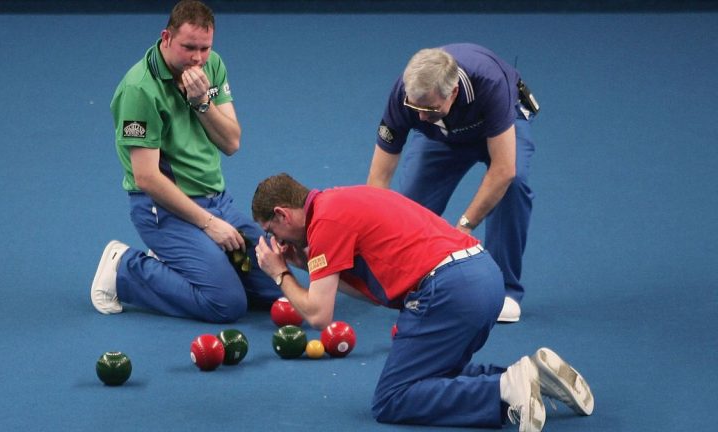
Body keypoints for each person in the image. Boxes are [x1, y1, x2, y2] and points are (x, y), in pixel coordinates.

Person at [251, 173, 594, 431]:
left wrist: (279, 274)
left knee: (392, 399)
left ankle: (503, 388)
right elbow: (376, 295)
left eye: (271, 230)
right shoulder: (338, 201)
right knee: (434, 374)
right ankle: (530, 375)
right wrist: (308, 266)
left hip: (448, 291)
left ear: (283, 214)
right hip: (483, 277)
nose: (275, 239)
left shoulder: (324, 224)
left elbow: (318, 315)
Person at [90, 0, 280, 323]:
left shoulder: (213, 66)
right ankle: (123, 270)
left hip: (217, 202)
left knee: (279, 289)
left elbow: (231, 142)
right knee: (227, 304)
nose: (198, 58)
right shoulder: (139, 89)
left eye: (205, 48)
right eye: (189, 47)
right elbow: (146, 178)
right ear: (166, 38)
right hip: (162, 210)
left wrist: (202, 103)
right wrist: (208, 224)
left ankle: (182, 265)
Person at [366, 43, 538, 322]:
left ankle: (504, 290)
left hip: (498, 127)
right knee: (408, 208)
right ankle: (407, 279)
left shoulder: (490, 83)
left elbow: (504, 169)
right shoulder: (404, 94)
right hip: (441, 135)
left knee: (514, 184)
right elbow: (378, 179)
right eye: (415, 107)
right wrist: (370, 245)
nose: (420, 116)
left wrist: (464, 227)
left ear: (453, 92)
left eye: (429, 109)